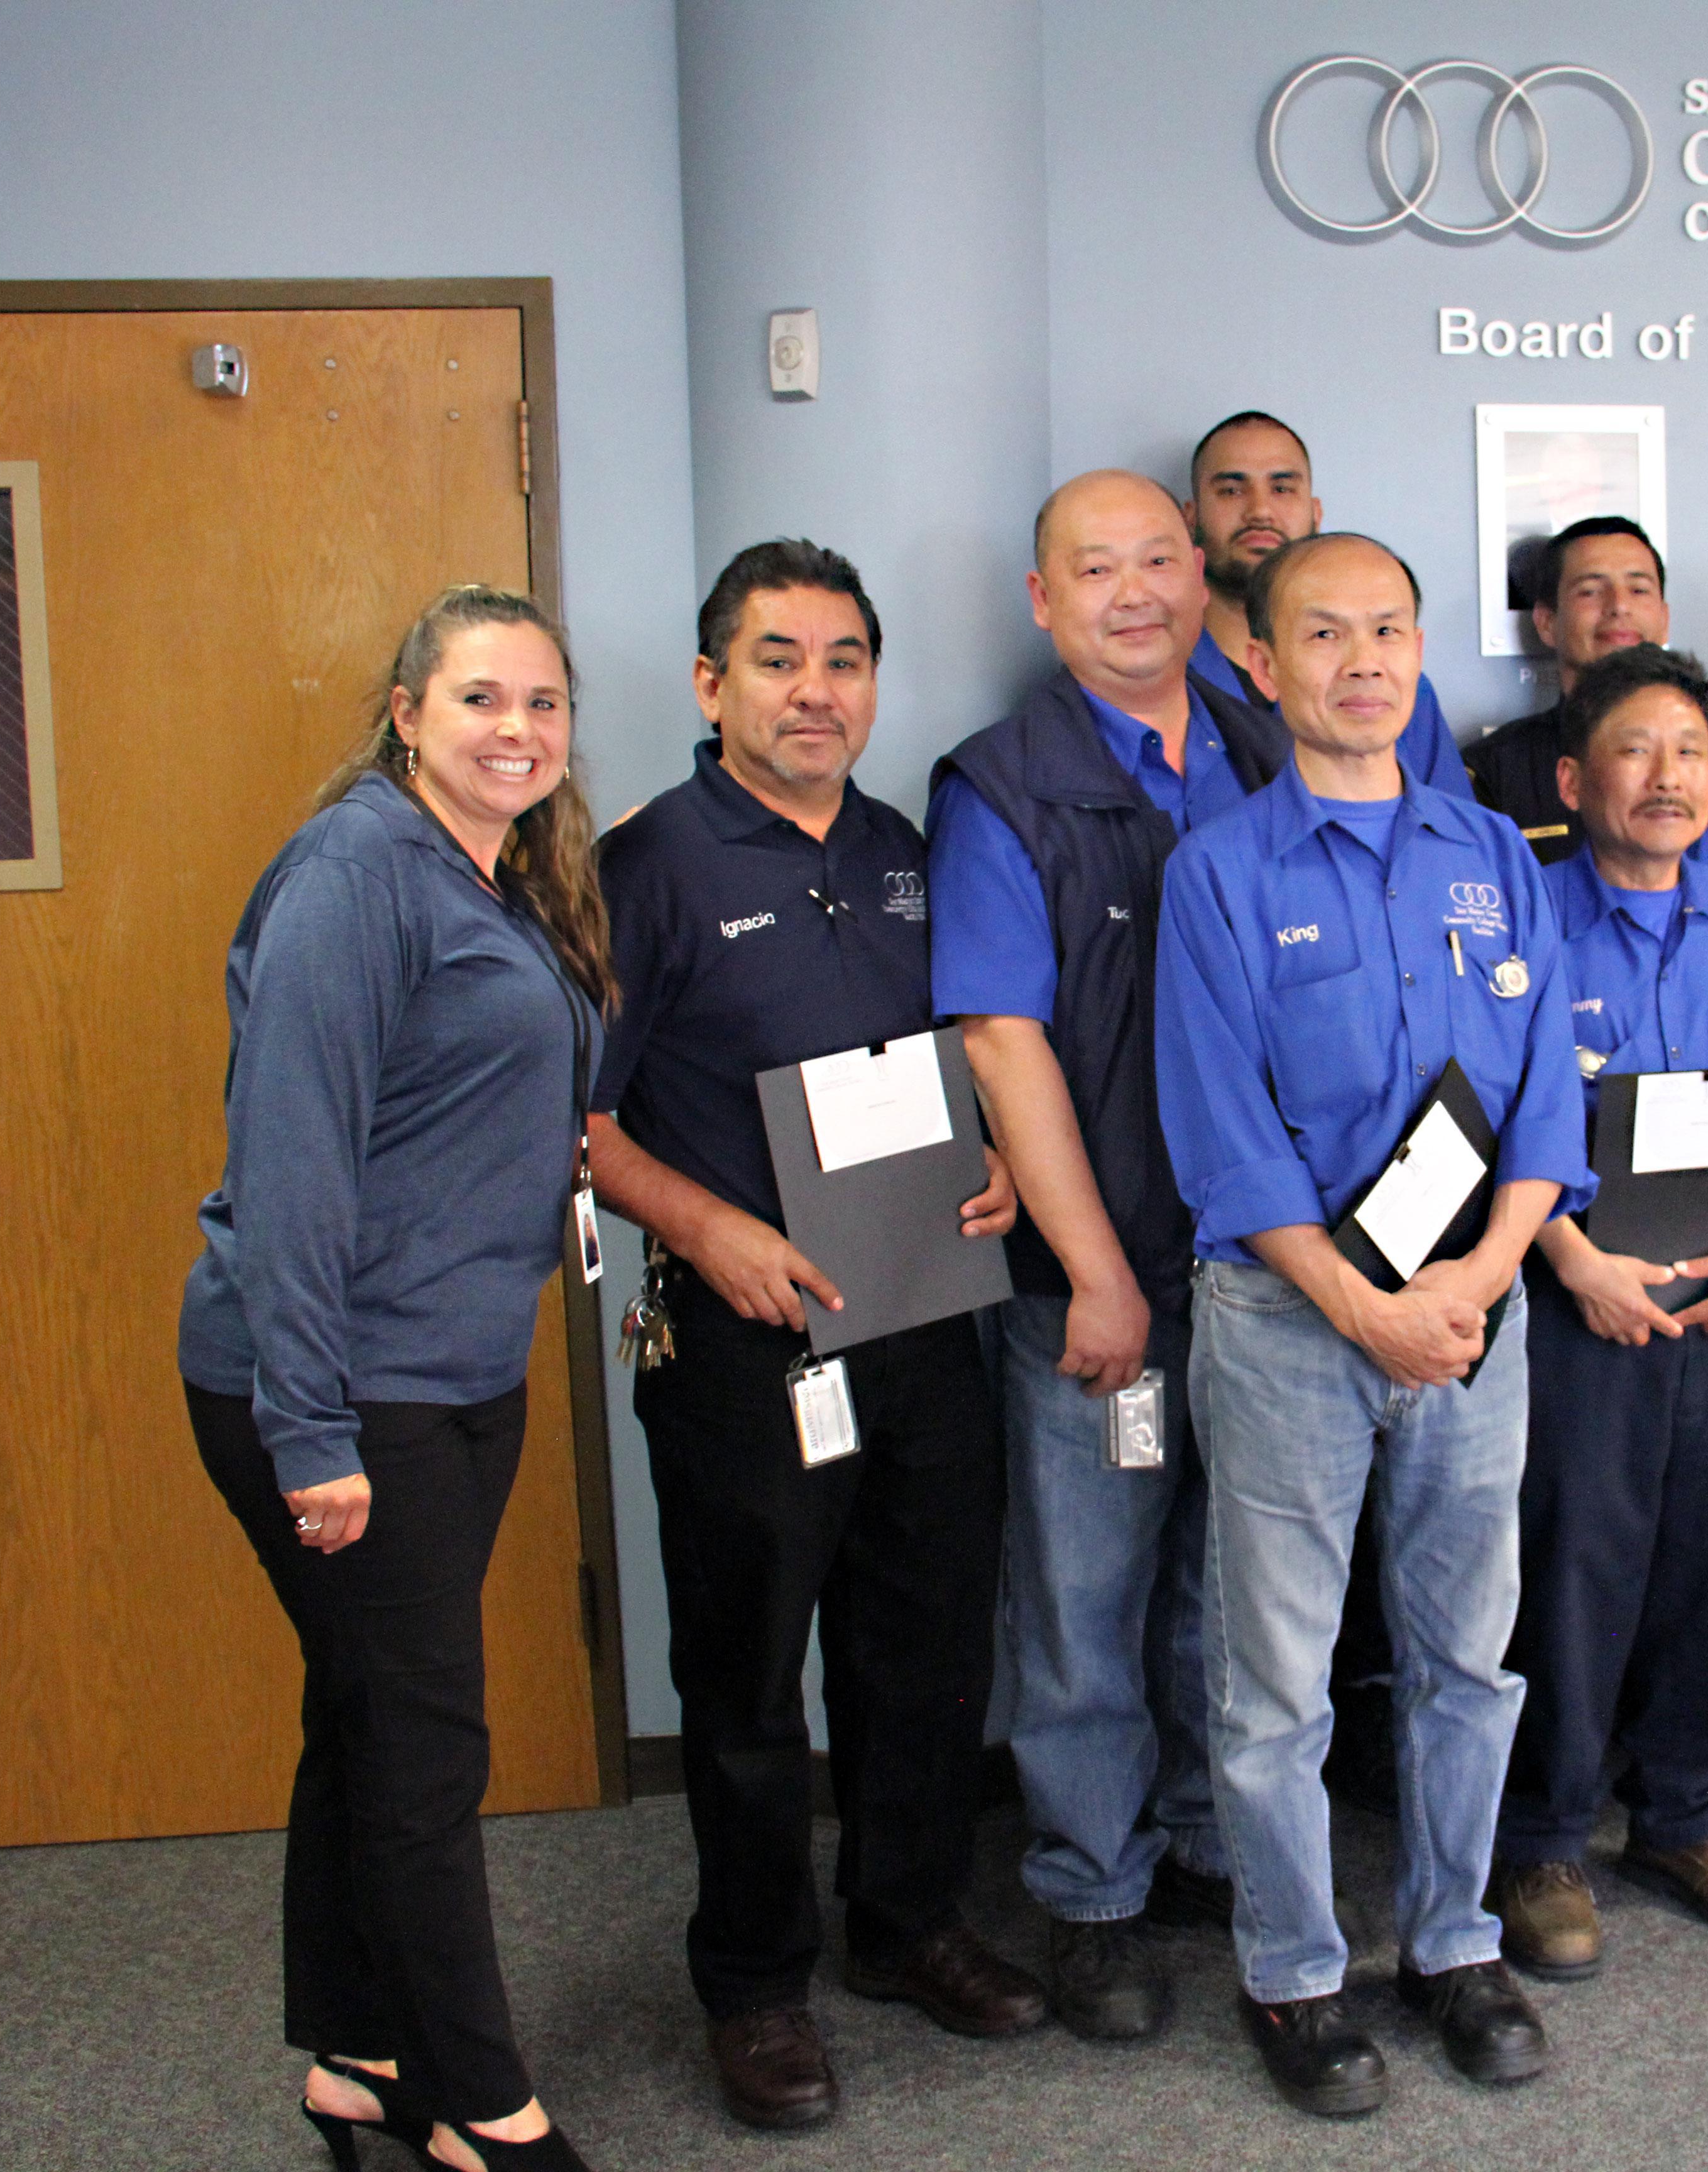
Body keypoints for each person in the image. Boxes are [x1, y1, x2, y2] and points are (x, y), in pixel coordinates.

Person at [587, 541, 1043, 2133]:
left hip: (920, 1306)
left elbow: (972, 1043)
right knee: (748, 1672)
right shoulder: (644, 864)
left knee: (923, 1640)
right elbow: (574, 1117)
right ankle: (754, 1979)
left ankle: (907, 1919)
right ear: (711, 684)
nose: (814, 689)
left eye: (842, 658)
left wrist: (997, 1154)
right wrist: (700, 1226)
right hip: (746, 1334)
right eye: (776, 658)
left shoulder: (912, 848)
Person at [1155, 532, 1592, 2117]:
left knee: (1466, 1655)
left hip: (1474, 1315)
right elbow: (1222, 1135)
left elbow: (1547, 1095)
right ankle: (1291, 1972)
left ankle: (1454, 1939)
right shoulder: (1215, 872)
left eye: (1388, 629)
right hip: (1286, 1322)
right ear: (1259, 668)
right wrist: (1365, 1309)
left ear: (1420, 652)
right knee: (1272, 1676)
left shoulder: (1494, 853)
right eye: (1321, 633)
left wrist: (1475, 1282)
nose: (1361, 659)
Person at [180, 584, 610, 2172]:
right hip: (345, 1389)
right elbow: (291, 1169)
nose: (517, 728)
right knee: (426, 1744)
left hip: (447, 1369)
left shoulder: (492, 875)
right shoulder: (358, 874)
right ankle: (482, 2106)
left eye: (543, 704)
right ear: (405, 707)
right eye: (483, 698)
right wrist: (310, 1430)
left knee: (364, 1718)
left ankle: (359, 2051)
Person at [926, 472, 1288, 2041]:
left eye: (1158, 561)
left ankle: (1205, 1833)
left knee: (1234, 1580)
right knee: (1086, 1592)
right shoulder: (1000, 785)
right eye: (1095, 567)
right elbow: (1003, 1041)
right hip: (1107, 1270)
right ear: (1040, 597)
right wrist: (1094, 1271)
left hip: (1274, 1267)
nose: (1132, 591)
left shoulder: (1270, 749)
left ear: (1201, 578)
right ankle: (1089, 1884)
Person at [1487, 644, 1708, 1982]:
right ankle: (1544, 1839)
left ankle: (1690, 1818)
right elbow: (1503, 1122)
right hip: (1590, 1302)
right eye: (1636, 750)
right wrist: (1574, 1261)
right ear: (1578, 779)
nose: (1670, 775)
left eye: (1692, 750)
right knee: (1577, 1567)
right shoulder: (1531, 923)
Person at [1181, 409, 1470, 796]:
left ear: (1316, 514)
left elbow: (1451, 836)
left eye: (1282, 489)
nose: (1260, 511)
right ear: (1190, 517)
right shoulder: (1162, 680)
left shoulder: (1390, 687)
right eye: (1232, 490)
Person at [1462, 515, 1673, 862]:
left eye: (1638, 589)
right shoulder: (1492, 773)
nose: (1619, 605)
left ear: (1664, 620)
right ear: (1547, 622)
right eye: (1590, 591)